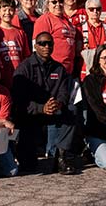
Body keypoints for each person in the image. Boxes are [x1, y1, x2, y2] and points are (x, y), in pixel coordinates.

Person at [12, 32, 81, 175]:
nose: (46, 46)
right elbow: (19, 100)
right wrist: (41, 108)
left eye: (50, 43)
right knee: (28, 167)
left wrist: (58, 104)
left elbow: (64, 93)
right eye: (43, 43)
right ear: (36, 46)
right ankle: (26, 155)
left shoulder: (59, 68)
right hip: (31, 115)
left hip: (53, 110)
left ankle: (61, 158)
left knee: (71, 110)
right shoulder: (25, 68)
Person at [0, 0, 31, 87]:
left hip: (19, 75)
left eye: (10, 10)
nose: (7, 13)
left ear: (15, 12)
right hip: (0, 77)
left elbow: (26, 56)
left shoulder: (20, 33)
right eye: (4, 10)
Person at [33, 0, 78, 75]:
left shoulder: (67, 21)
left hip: (68, 70)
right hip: (52, 69)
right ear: (48, 4)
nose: (58, 4)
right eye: (54, 2)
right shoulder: (45, 20)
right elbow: (37, 47)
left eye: (61, 1)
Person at [79, 0, 106, 81]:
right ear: (86, 11)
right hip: (87, 70)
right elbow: (78, 50)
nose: (95, 11)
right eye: (91, 9)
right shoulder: (80, 29)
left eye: (98, 9)